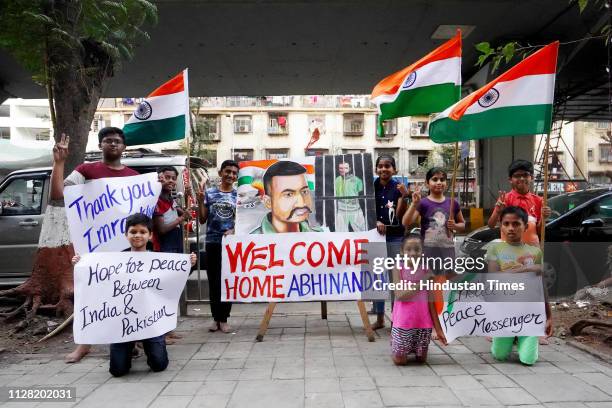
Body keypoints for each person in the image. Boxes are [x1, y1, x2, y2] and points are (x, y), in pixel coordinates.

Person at [50, 128, 139, 364]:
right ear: (100, 145)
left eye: (117, 141)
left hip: (123, 248)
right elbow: (58, 193)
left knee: (125, 295)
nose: (113, 144)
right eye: (108, 141)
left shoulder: (133, 176)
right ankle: (84, 345)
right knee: (89, 295)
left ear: (124, 147)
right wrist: (58, 163)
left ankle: (128, 341)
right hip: (93, 246)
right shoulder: (86, 171)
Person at [72, 214, 196, 377]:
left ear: (150, 235)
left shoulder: (159, 258)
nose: (137, 235)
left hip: (150, 321)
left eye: (142, 232)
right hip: (122, 322)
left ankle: (149, 345)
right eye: (133, 232)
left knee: (159, 365)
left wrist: (191, 264)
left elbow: (174, 275)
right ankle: (130, 346)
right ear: (126, 235)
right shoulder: (115, 259)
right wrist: (80, 263)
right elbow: (97, 278)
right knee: (117, 370)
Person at [486, 206, 553, 365]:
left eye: (516, 224)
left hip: (529, 312)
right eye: (506, 223)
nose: (510, 228)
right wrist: (527, 268)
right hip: (504, 312)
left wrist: (548, 316)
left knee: (529, 360)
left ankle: (525, 339)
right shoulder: (495, 248)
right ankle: (507, 338)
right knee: (499, 355)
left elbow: (541, 285)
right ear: (501, 225)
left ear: (525, 226)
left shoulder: (535, 252)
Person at [390, 235, 447, 364]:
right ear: (401, 252)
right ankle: (397, 348)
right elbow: (400, 295)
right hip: (403, 322)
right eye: (408, 249)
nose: (413, 253)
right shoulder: (398, 268)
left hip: (423, 322)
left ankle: (414, 350)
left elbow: (432, 303)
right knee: (400, 361)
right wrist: (422, 282)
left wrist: (438, 330)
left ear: (422, 252)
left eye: (417, 249)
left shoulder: (427, 271)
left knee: (421, 360)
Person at [198, 160, 239, 333]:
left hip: (231, 245)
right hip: (213, 243)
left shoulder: (239, 196)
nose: (231, 175)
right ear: (221, 172)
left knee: (227, 281)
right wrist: (200, 201)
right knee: (214, 282)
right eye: (228, 171)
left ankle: (224, 319)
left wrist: (234, 230)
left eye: (234, 173)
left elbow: (243, 220)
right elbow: (202, 219)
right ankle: (215, 319)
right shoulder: (210, 193)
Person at [402, 167, 466, 275]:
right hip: (428, 252)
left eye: (442, 179)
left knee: (446, 284)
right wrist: (414, 204)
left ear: (446, 183)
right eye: (435, 179)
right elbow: (406, 222)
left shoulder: (453, 203)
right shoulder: (422, 203)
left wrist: (455, 226)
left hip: (448, 251)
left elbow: (463, 225)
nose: (439, 182)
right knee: (430, 283)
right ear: (427, 183)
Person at [370, 155, 409, 330]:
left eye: (388, 166)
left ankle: (396, 319)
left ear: (394, 169)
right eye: (380, 166)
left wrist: (404, 197)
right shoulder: (371, 187)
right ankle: (379, 318)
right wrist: (375, 222)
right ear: (376, 169)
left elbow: (401, 216)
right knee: (377, 277)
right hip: (375, 237)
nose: (384, 169)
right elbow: (366, 210)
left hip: (395, 237)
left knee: (395, 279)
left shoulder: (399, 188)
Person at [487, 159, 551, 246]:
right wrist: (498, 212)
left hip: (532, 252)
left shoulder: (539, 200)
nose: (521, 178)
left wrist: (544, 218)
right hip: (508, 252)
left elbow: (539, 231)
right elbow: (491, 225)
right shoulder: (505, 199)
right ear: (510, 179)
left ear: (531, 177)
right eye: (517, 176)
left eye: (525, 175)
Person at [250, 160, 322, 234]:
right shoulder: (251, 241)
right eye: (289, 194)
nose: (301, 203)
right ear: (268, 202)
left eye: (304, 192)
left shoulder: (321, 236)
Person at [153, 166, 191, 253]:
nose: (171, 181)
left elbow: (186, 215)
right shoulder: (156, 200)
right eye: (167, 177)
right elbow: (161, 230)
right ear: (159, 179)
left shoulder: (170, 199)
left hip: (176, 244)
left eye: (173, 178)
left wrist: (186, 196)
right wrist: (182, 218)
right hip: (164, 248)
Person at [335, 161, 366, 232]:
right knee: (341, 233)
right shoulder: (337, 180)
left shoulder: (357, 180)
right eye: (341, 168)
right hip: (341, 210)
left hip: (355, 210)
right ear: (338, 169)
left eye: (345, 168)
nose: (343, 170)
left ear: (350, 169)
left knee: (361, 232)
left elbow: (361, 193)